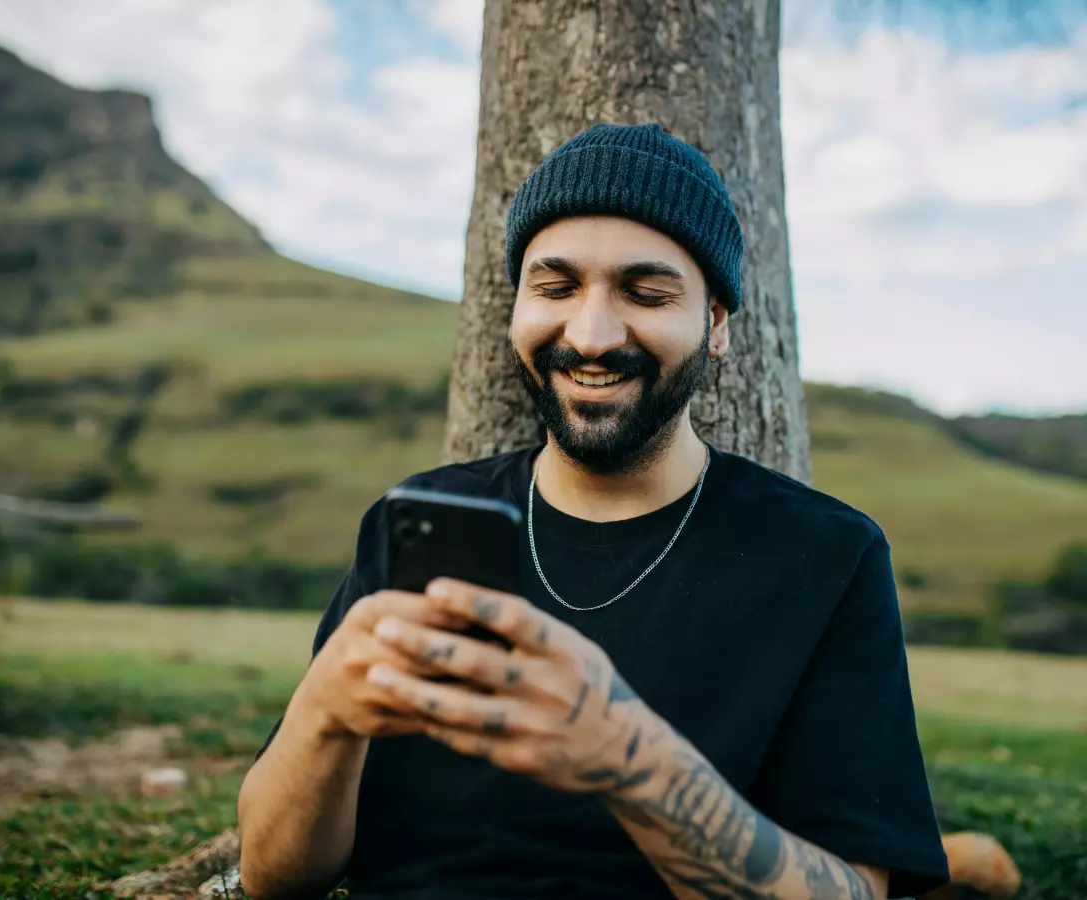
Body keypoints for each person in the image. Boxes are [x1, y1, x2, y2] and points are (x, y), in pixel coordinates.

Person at [237, 123, 950, 900]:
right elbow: (273, 879)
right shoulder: (419, 523)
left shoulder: (826, 558)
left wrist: (628, 757)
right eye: (555, 287)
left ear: (714, 324)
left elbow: (858, 890)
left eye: (646, 293)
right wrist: (326, 713)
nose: (591, 335)